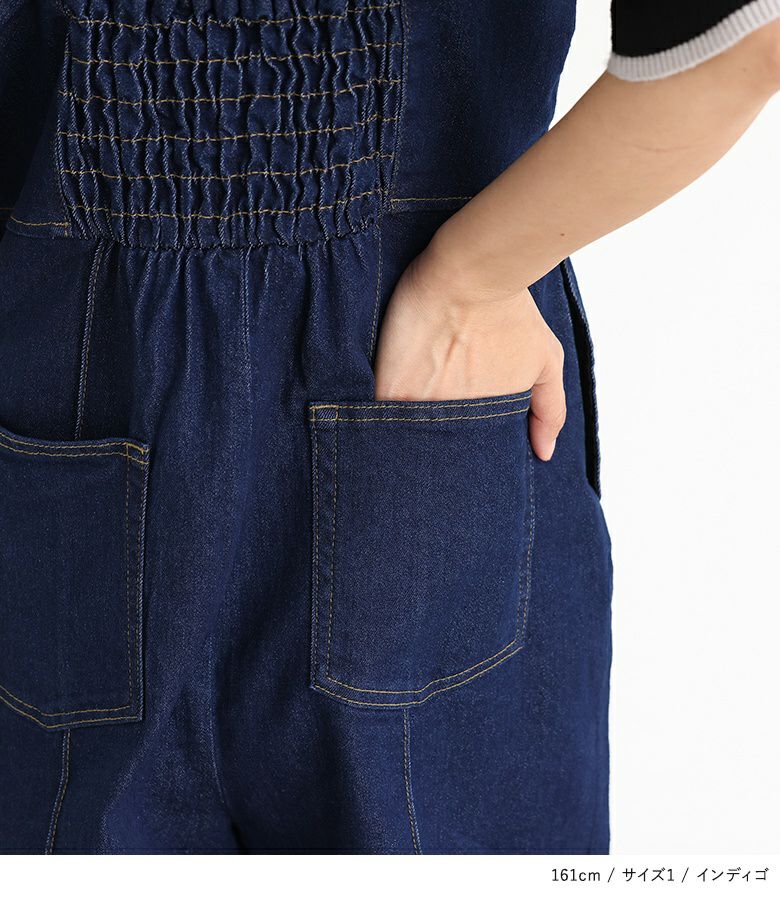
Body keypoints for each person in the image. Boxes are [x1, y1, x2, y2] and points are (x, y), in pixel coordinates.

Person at [0, 0, 777, 854]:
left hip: (75, 394)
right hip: (414, 386)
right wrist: (469, 284)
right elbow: (741, 35)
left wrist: (470, 287)